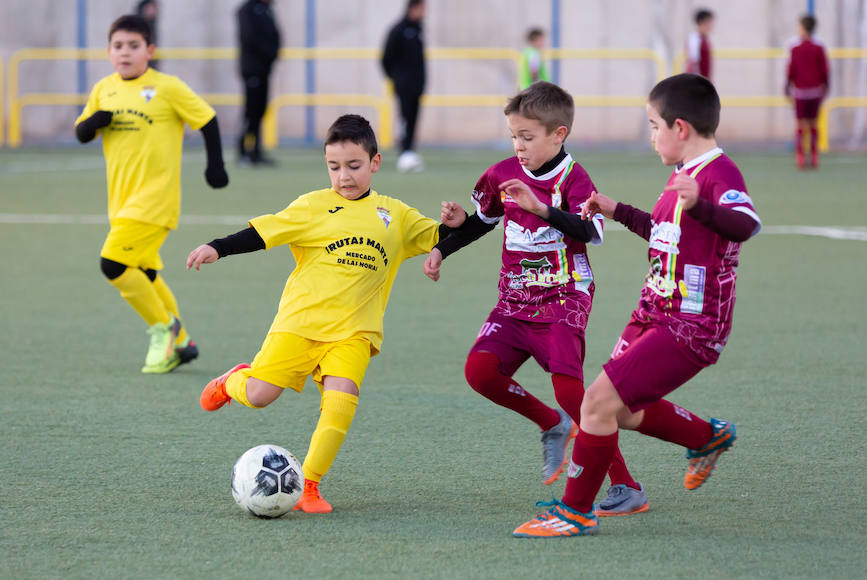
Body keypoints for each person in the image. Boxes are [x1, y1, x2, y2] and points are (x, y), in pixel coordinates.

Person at [512, 73, 762, 538]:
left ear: (680, 128)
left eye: (653, 126)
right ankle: (706, 437)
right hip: (653, 313)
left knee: (599, 404)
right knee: (615, 410)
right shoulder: (682, 176)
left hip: (691, 323)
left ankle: (575, 513)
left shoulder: (718, 174)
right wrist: (615, 209)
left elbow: (745, 224)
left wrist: (702, 205)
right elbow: (666, 235)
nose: (651, 137)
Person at [188, 114, 461, 514]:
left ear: (375, 162)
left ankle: (310, 486)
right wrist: (218, 247)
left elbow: (440, 236)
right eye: (334, 167)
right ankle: (232, 382)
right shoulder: (313, 206)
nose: (344, 176)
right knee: (261, 396)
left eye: (353, 166)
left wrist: (456, 223)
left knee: (341, 400)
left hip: (355, 332)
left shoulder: (394, 215)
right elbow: (263, 233)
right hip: (300, 324)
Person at [425, 81, 648, 516]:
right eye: (514, 136)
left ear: (558, 134)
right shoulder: (500, 174)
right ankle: (552, 424)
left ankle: (625, 485)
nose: (519, 146)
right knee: (480, 372)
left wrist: (542, 208)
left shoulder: (574, 178)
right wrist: (443, 243)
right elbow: (481, 222)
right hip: (514, 300)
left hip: (565, 296)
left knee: (571, 391)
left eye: (527, 137)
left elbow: (591, 231)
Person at [74, 14, 228, 374]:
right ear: (108, 51)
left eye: (133, 46)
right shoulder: (103, 89)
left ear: (150, 50)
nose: (125, 53)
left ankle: (164, 331)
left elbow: (207, 119)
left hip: (156, 200)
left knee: (112, 264)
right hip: (121, 202)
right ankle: (184, 339)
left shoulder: (167, 87)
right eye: (118, 46)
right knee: (144, 271)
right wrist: (94, 122)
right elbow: (81, 132)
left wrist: (215, 167)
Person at [381, 0, 426, 173]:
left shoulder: (418, 29)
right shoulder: (398, 30)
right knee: (404, 117)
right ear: (412, 8)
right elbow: (386, 58)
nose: (423, 12)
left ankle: (410, 150)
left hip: (417, 85)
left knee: (414, 117)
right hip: (403, 85)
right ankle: (403, 152)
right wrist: (396, 78)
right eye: (421, 8)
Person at [237, 0, 280, 166]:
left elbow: (274, 35)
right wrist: (268, 52)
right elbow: (251, 37)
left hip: (264, 69)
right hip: (253, 69)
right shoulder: (247, 10)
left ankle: (256, 150)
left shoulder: (266, 10)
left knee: (261, 110)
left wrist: (273, 54)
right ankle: (243, 150)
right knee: (251, 111)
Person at [785, 15, 829, 169]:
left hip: (800, 92)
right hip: (816, 91)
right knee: (813, 123)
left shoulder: (795, 47)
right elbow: (825, 69)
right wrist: (826, 86)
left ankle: (801, 155)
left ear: (802, 28)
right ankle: (814, 155)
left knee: (800, 124)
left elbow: (791, 69)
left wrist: (787, 86)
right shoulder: (819, 47)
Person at [685, 9, 714, 80]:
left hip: (703, 79)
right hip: (698, 81)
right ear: (702, 23)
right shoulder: (695, 40)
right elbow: (693, 63)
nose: (710, 26)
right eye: (709, 22)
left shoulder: (704, 39)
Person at [135, 0, 160, 69]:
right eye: (150, 8)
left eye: (155, 8)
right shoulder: (137, 25)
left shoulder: (153, 24)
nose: (153, 11)